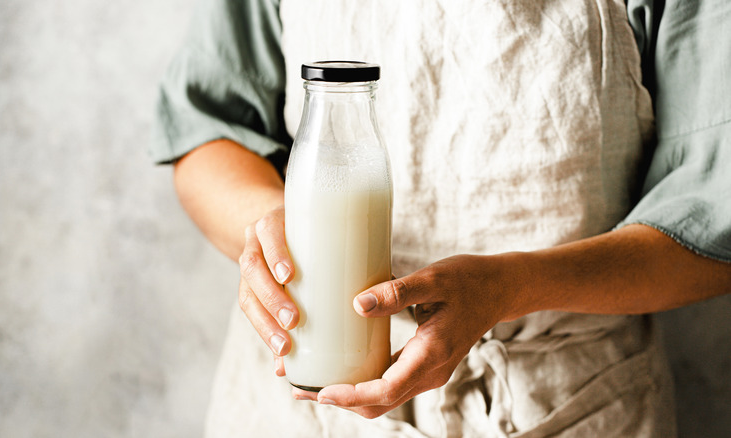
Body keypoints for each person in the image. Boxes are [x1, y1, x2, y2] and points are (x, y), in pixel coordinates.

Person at [151, 0, 731, 436]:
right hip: (302, 393)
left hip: (564, 399)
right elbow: (209, 129)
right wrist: (274, 228)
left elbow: (714, 223)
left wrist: (508, 288)